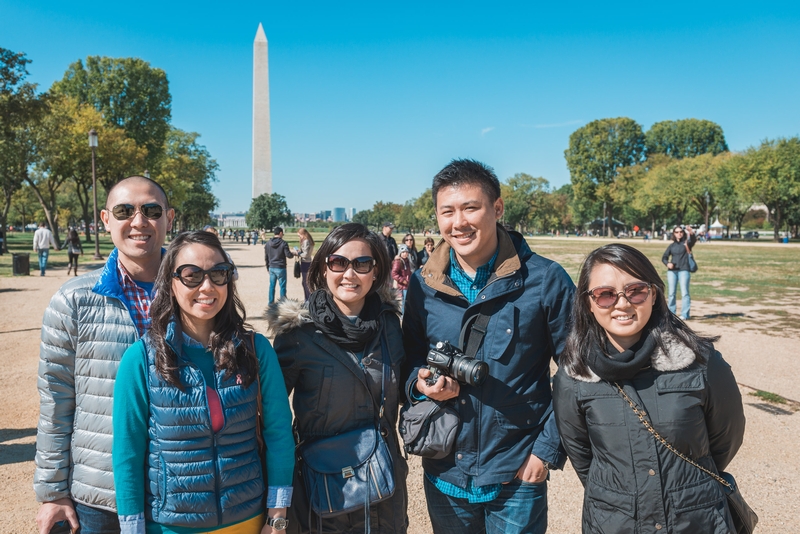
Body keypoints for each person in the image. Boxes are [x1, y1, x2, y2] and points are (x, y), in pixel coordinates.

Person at [402, 159, 575, 534]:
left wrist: (546, 450)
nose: (458, 222)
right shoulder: (422, 285)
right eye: (447, 211)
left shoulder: (546, 280)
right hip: (444, 469)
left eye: (470, 208)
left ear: (497, 209)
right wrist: (420, 383)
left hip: (516, 472)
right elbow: (409, 360)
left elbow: (579, 374)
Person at [552, 243, 745, 533]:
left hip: (696, 518)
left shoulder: (702, 363)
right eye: (605, 295)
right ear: (588, 303)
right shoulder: (574, 376)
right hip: (615, 521)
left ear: (653, 294)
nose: (622, 303)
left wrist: (681, 483)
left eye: (636, 291)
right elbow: (583, 457)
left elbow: (725, 440)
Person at [113, 231, 295, 534]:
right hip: (170, 525)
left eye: (218, 274)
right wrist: (132, 529)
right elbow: (127, 453)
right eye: (191, 275)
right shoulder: (140, 359)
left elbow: (278, 434)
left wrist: (277, 516)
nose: (207, 287)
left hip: (247, 520)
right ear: (170, 282)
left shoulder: (256, 349)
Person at [34, 176, 175, 534]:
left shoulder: (198, 294)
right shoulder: (74, 300)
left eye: (152, 210)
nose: (139, 221)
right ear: (105, 219)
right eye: (125, 211)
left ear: (169, 219)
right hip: (100, 494)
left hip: (180, 490)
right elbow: (56, 399)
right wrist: (53, 492)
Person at [266, 223, 408, 533]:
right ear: (322, 268)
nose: (350, 273)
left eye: (362, 264)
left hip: (385, 480)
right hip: (324, 485)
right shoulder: (298, 336)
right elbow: (270, 418)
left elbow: (407, 391)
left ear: (376, 271)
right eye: (338, 262)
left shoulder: (390, 327)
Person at [662, 225, 697, 320]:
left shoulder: (687, 243)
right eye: (677, 232)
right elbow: (664, 257)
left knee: (685, 293)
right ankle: (671, 314)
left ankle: (685, 314)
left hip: (684, 270)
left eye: (681, 231)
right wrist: (667, 263)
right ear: (674, 234)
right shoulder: (671, 246)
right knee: (671, 293)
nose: (679, 233)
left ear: (683, 233)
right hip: (672, 272)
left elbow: (693, 239)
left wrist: (691, 232)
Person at [265, 226, 295, 303]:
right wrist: (293, 253)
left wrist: (267, 267)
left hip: (272, 267)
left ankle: (270, 303)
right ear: (280, 233)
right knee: (282, 287)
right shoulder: (283, 243)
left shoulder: (268, 243)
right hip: (281, 267)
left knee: (271, 286)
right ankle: (282, 302)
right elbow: (288, 255)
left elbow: (266, 257)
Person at [294, 228, 314, 301]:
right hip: (308, 262)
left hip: (305, 262)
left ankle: (308, 299)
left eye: (300, 236)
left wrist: (298, 253)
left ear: (303, 234)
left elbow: (305, 254)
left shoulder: (306, 241)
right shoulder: (309, 240)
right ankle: (307, 299)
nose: (300, 237)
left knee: (305, 283)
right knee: (306, 282)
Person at [392, 243, 412, 312]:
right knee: (402, 303)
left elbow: (408, 272)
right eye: (403, 252)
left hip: (407, 285)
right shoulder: (398, 262)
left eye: (406, 252)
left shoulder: (407, 261)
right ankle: (402, 316)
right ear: (400, 253)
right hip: (401, 286)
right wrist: (402, 280)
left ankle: (405, 316)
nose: (405, 254)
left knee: (407, 302)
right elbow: (394, 273)